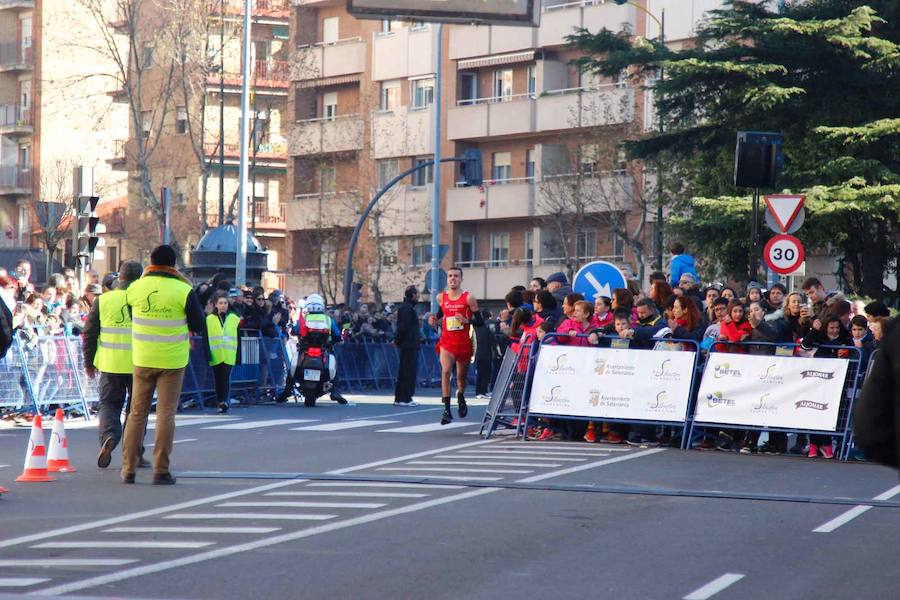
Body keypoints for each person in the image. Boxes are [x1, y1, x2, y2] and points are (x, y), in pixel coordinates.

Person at [121, 245, 209, 485]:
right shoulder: (183, 289)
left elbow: (131, 315)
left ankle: (128, 468)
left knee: (136, 414)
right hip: (172, 360)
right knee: (165, 414)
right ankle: (161, 470)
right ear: (173, 265)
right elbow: (198, 324)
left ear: (151, 261)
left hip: (142, 358)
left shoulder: (135, 288)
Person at [83, 262, 148, 470]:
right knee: (136, 410)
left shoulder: (104, 301)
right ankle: (135, 452)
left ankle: (109, 437)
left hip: (110, 363)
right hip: (139, 363)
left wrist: (88, 362)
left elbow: (90, 334)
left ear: (120, 277)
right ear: (139, 279)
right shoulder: (141, 301)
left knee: (109, 405)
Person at [429, 266, 482, 426]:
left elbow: (480, 321)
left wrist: (468, 321)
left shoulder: (468, 298)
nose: (453, 279)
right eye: (450, 276)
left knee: (461, 379)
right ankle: (446, 410)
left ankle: (460, 395)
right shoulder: (441, 297)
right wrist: (434, 320)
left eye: (456, 276)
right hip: (447, 342)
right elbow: (439, 315)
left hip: (463, 343)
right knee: (445, 371)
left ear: (461, 279)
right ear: (447, 279)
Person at [278, 293, 349, 404]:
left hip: (305, 350)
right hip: (323, 350)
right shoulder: (328, 320)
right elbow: (337, 335)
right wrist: (338, 340)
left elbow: (294, 331)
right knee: (334, 365)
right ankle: (335, 391)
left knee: (293, 366)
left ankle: (287, 390)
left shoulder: (304, 319)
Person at [207, 292, 241, 414]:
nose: (223, 305)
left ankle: (224, 402)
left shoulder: (234, 318)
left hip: (229, 354)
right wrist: (207, 354)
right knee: (218, 379)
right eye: (220, 303)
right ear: (216, 305)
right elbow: (206, 338)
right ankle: (220, 400)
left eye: (225, 303)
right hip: (216, 354)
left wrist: (239, 356)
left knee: (225, 377)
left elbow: (239, 338)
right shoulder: (209, 319)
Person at [393, 286, 420, 406]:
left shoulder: (406, 308)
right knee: (408, 371)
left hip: (408, 343)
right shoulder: (407, 309)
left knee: (405, 371)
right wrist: (397, 341)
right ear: (413, 295)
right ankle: (405, 398)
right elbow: (403, 328)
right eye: (417, 294)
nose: (418, 297)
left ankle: (401, 397)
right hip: (409, 344)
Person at [473, 310, 497, 399]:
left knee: (481, 372)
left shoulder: (476, 325)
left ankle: (481, 391)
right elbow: (493, 338)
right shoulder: (489, 325)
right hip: (486, 351)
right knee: (486, 372)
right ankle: (482, 391)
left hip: (478, 351)